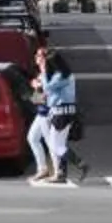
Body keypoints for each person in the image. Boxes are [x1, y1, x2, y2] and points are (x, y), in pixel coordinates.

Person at [43, 53, 84, 183]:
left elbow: (47, 88)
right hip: (68, 112)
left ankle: (79, 163)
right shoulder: (69, 75)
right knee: (59, 144)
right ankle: (60, 173)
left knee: (55, 145)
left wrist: (44, 73)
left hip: (60, 112)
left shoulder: (60, 76)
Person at [26, 46, 59, 181]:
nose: (36, 58)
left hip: (47, 113)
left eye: (39, 56)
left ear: (45, 59)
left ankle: (58, 171)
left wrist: (38, 87)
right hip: (41, 113)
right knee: (32, 138)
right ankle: (43, 169)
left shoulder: (50, 73)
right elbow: (37, 98)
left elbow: (49, 94)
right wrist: (36, 87)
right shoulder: (41, 73)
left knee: (50, 143)